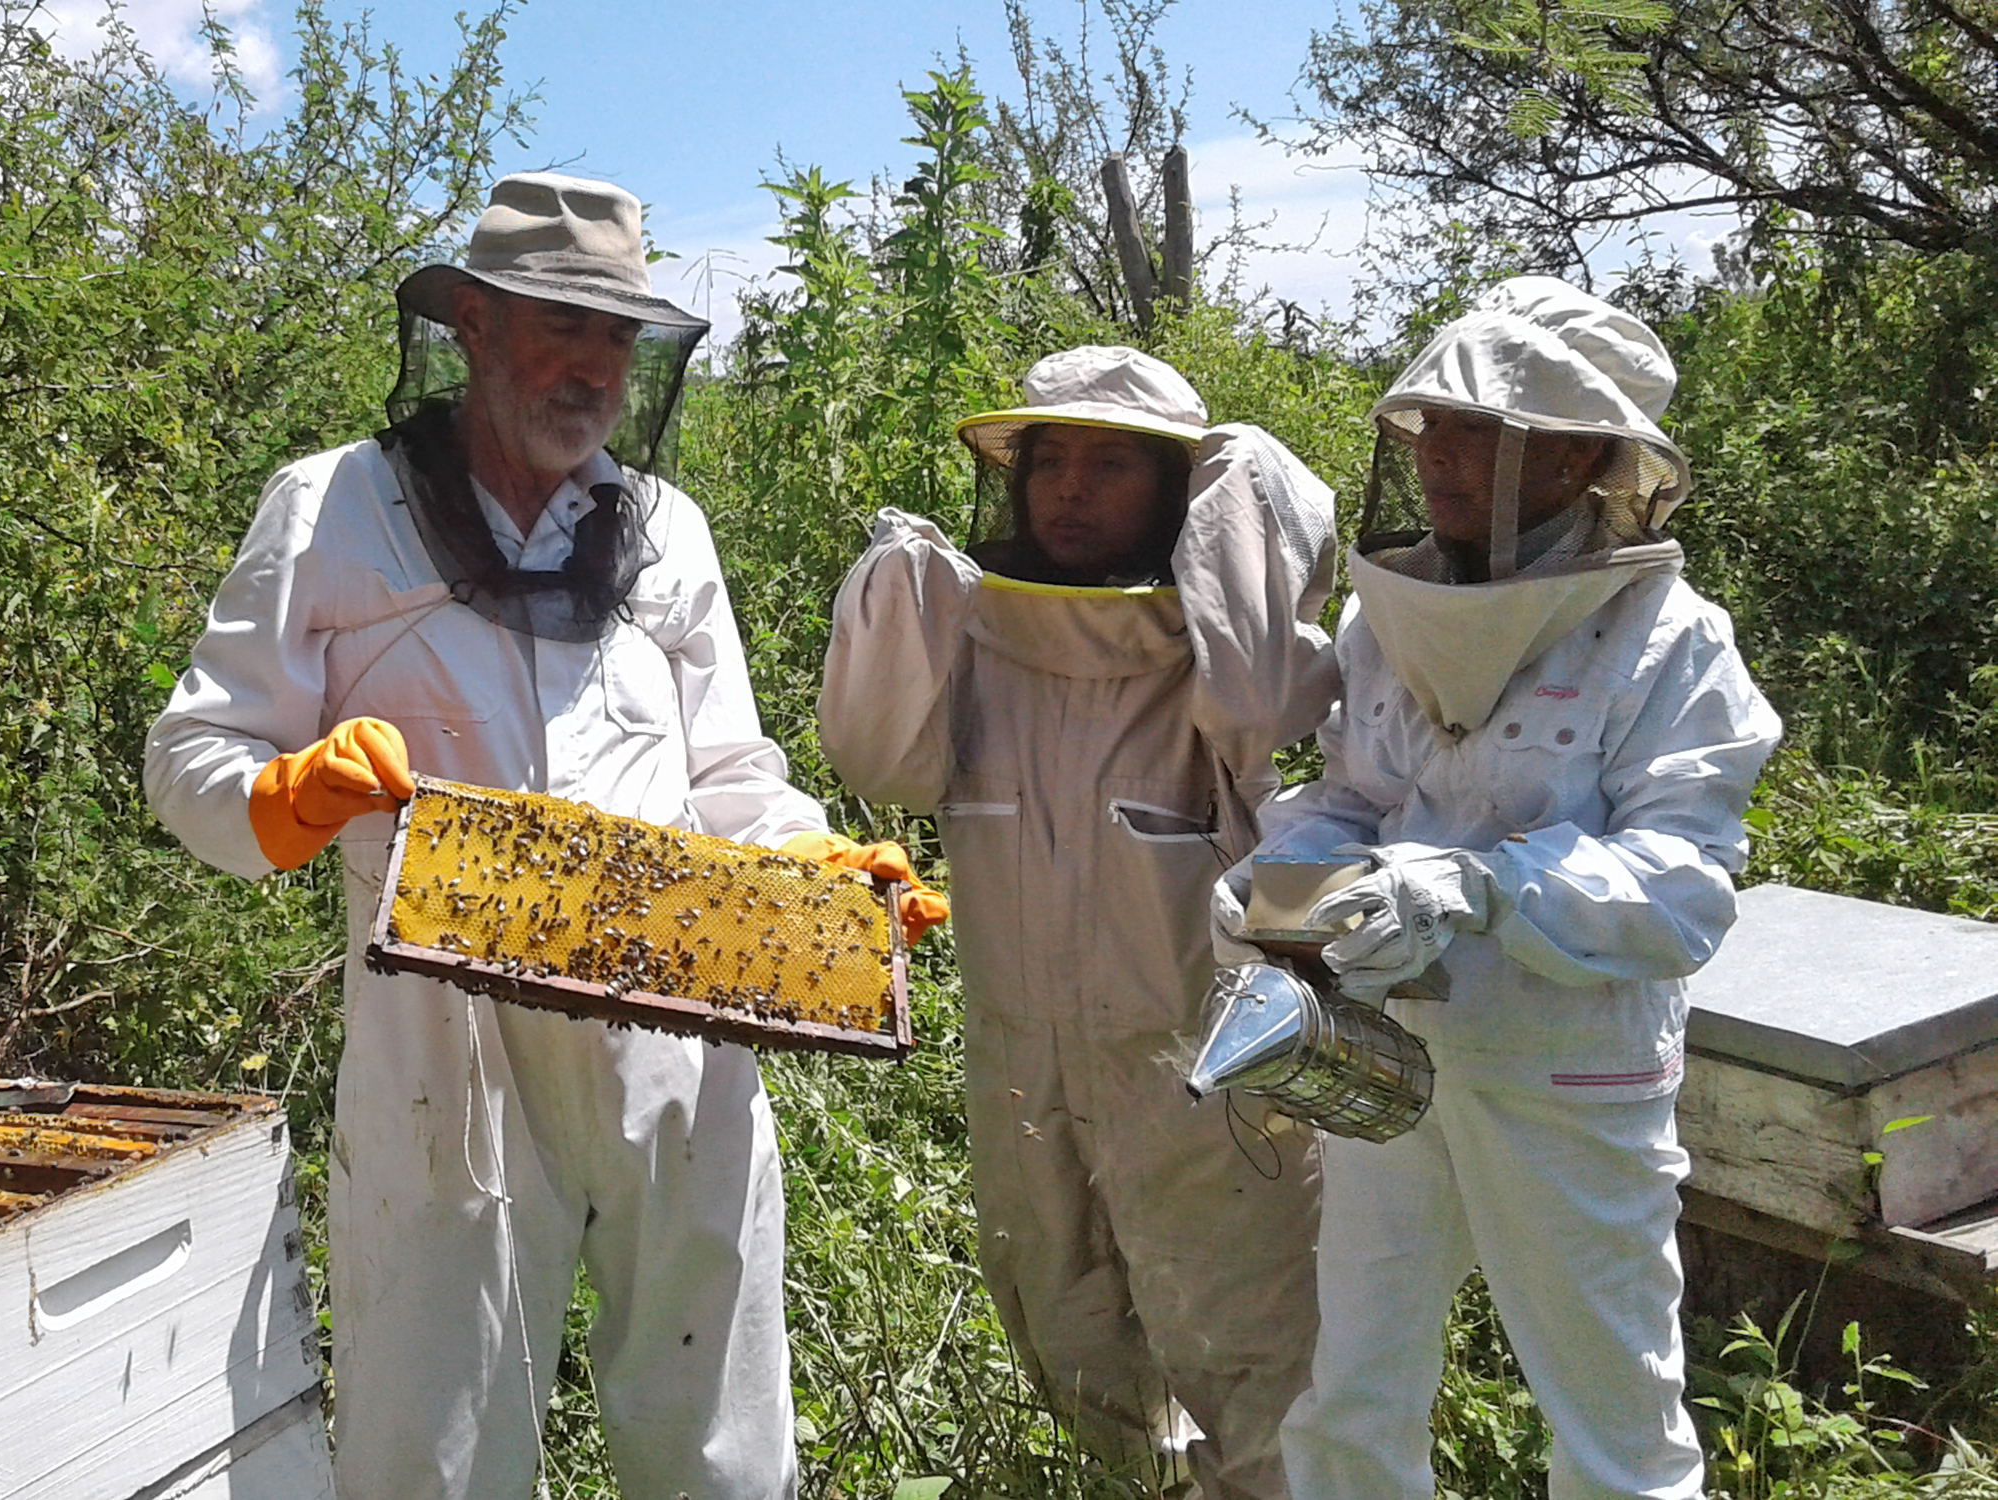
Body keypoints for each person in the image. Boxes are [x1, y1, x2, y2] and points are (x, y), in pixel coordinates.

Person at [144, 171, 939, 1500]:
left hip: (674, 1031)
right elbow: (193, 755)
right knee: (432, 1450)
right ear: (468, 322)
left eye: (614, 336)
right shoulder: (332, 507)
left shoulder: (665, 530)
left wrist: (811, 864)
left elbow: (731, 773)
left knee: (717, 1443)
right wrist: (286, 799)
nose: (589, 367)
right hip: (443, 1049)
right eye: (557, 326)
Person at [1217, 277, 1782, 1500]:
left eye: (1477, 431)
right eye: (1430, 426)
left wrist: (1476, 886)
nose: (1437, 458)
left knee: (1609, 1416)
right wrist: (1279, 881)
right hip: (1386, 1050)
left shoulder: (1668, 641)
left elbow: (1681, 891)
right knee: (1354, 1386)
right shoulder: (1393, 621)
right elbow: (1354, 794)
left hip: (1568, 1063)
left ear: (1578, 453)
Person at [819, 346, 1341, 1497]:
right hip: (1019, 1067)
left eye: (1112, 465)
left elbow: (1262, 697)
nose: (1068, 488)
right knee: (1065, 1330)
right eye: (1051, 459)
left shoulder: (1220, 667)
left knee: (1253, 1352)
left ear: (1175, 493)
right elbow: (874, 758)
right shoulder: (974, 641)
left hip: (1206, 1078)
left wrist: (1236, 486)